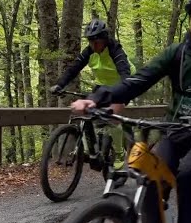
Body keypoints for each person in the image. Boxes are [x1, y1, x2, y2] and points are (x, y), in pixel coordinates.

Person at [71, 0, 191, 223]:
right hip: (177, 130)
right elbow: (139, 80)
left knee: (187, 173)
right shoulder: (177, 53)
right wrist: (98, 98)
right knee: (150, 178)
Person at [50, 18, 136, 170]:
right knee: (85, 110)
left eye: (97, 42)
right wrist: (60, 84)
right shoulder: (89, 51)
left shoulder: (115, 50)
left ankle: (119, 152)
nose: (94, 45)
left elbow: (125, 73)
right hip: (102, 85)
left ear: (105, 39)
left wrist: (122, 92)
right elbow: (74, 69)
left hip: (124, 84)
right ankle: (94, 150)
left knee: (112, 116)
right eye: (91, 42)